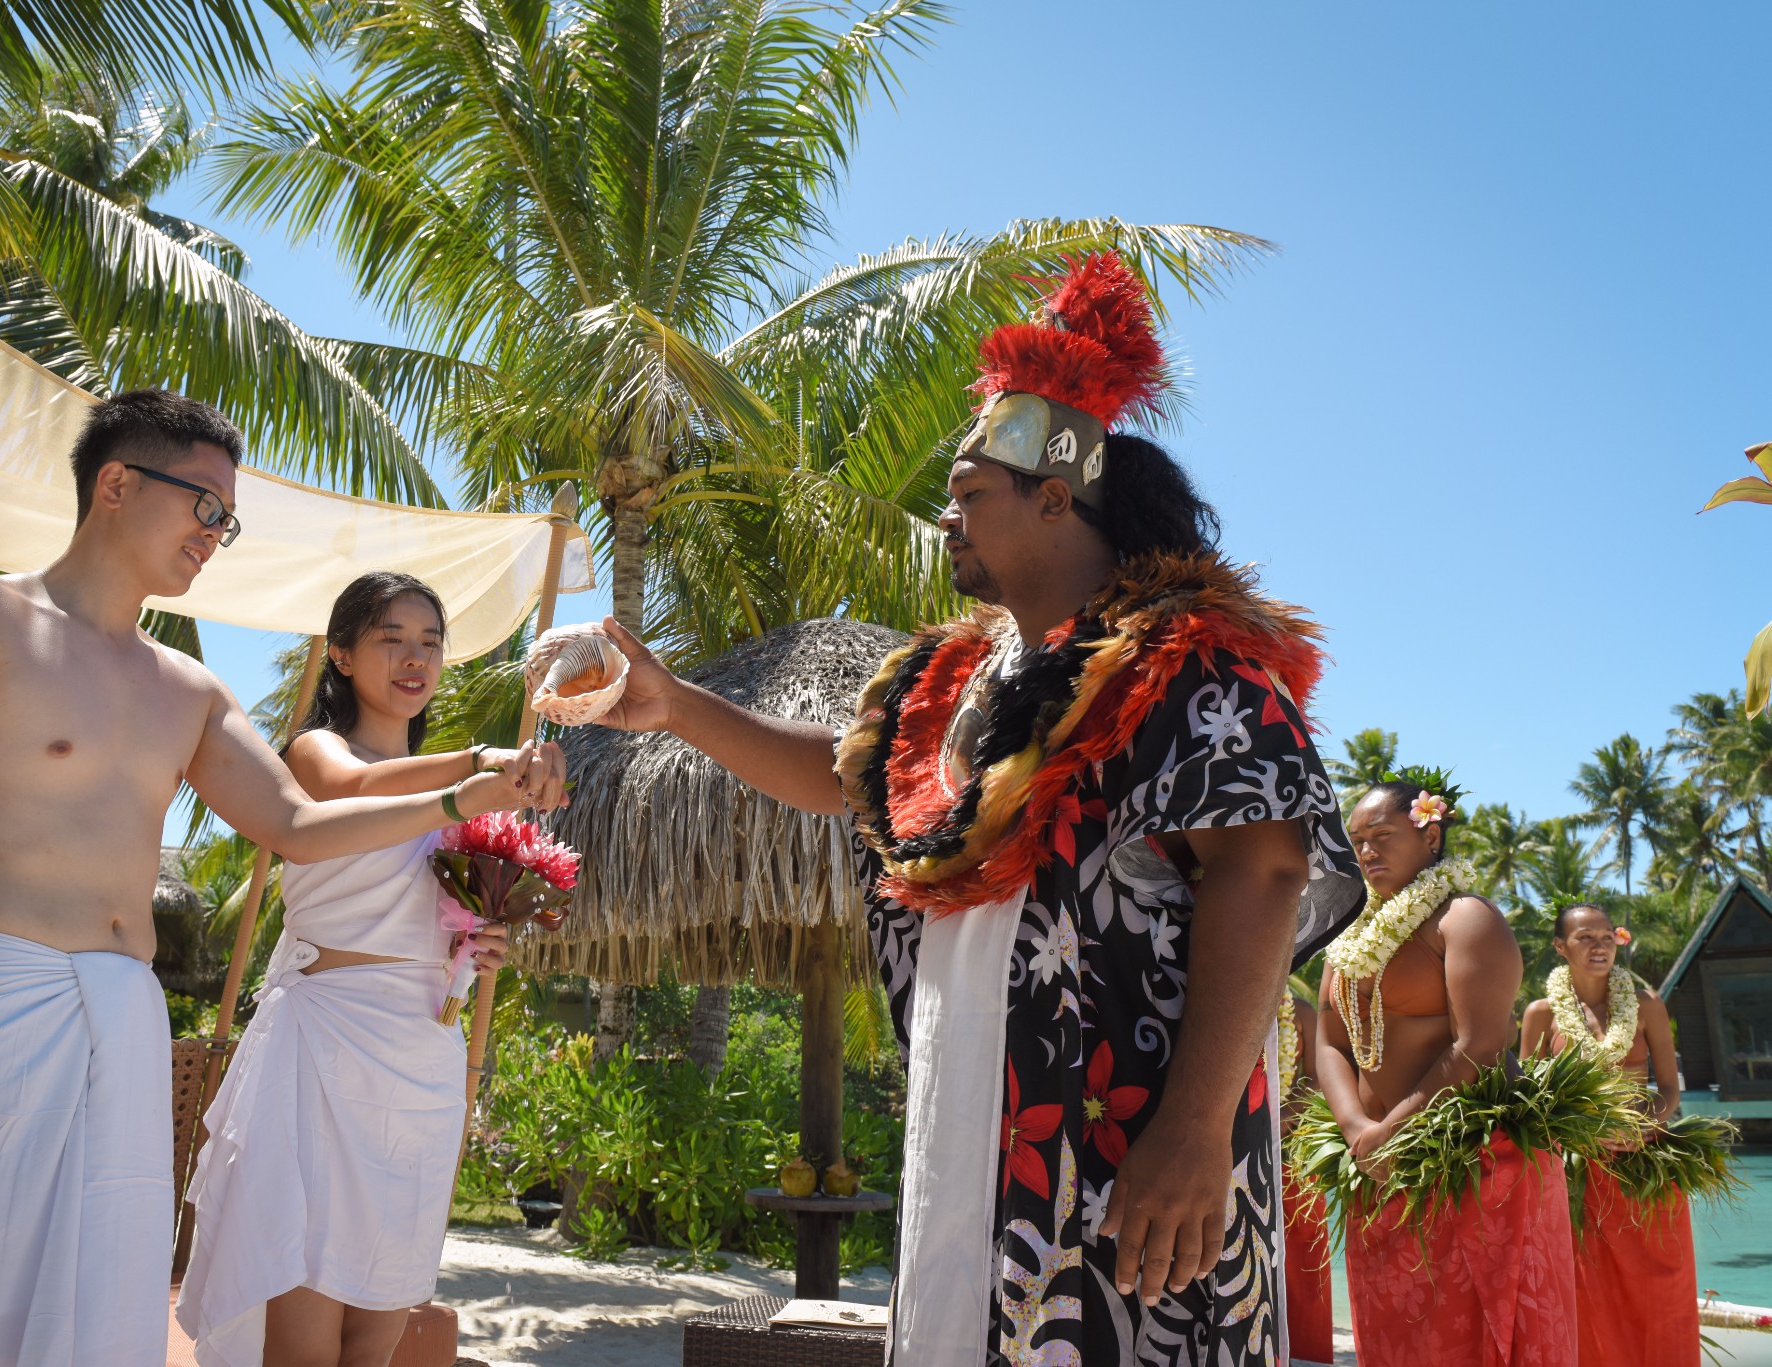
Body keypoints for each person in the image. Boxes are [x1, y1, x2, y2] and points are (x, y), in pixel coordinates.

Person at [596, 253, 1362, 1365]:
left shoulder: (1186, 658)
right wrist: (674, 706)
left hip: (1131, 1139)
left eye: (966, 496)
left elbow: (1264, 868)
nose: (943, 520)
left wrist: (1193, 1127)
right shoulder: (953, 678)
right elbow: (846, 775)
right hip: (978, 1132)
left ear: (1054, 499)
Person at [0, 391, 562, 1367]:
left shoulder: (189, 688)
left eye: (229, 517)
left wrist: (461, 796)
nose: (216, 534)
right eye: (204, 506)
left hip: (125, 1020)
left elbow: (296, 825)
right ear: (117, 485)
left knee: (101, 1314)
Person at [178, 571, 565, 1367]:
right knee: (304, 1325)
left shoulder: (464, 802)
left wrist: (477, 946)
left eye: (430, 642)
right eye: (391, 638)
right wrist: (477, 767)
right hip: (324, 1048)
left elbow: (437, 923)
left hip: (420, 1063)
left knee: (379, 1327)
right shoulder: (319, 752)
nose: (414, 657)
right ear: (345, 656)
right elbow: (351, 790)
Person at [1313, 773, 1576, 1367]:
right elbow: (1328, 1042)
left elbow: (1479, 1044)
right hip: (1378, 1168)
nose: (1366, 852)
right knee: (1395, 1337)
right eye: (1357, 841)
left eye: (1381, 835)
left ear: (1431, 835)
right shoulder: (1348, 937)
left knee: (1482, 1339)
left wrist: (1392, 1130)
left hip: (1476, 1164)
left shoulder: (1465, 919)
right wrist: (1357, 1129)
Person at [1521, 904, 1695, 1367]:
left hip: (1645, 1161)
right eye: (1585, 938)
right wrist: (1579, 1135)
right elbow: (1530, 1101)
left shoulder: (1647, 1004)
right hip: (1575, 1169)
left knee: (1659, 1282)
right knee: (1584, 1283)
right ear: (1561, 948)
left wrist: (1647, 1125)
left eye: (1606, 937)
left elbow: (1670, 1089)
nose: (1599, 946)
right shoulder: (1541, 1014)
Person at [1277, 991, 1333, 1364]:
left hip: (1290, 1157)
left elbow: (1318, 1079)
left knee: (1302, 1261)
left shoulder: (1302, 1011)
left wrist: (1281, 1116)